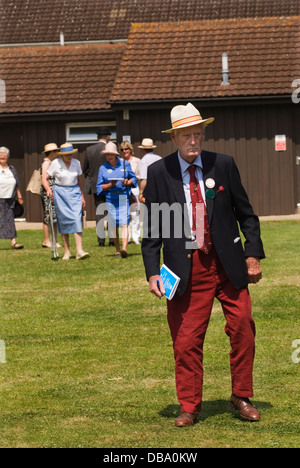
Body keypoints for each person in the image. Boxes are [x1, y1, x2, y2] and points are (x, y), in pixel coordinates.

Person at [141, 102, 265, 427]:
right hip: (185, 269)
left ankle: (241, 395)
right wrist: (153, 271)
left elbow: (247, 216)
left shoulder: (223, 165)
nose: (193, 141)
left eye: (198, 134)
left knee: (242, 330)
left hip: (228, 265)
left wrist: (252, 255)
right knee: (185, 341)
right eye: (187, 136)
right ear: (175, 139)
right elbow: (153, 228)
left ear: (203, 134)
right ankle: (189, 406)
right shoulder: (158, 173)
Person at [43, 143, 89, 260]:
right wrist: (48, 189)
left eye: (71, 154)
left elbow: (79, 181)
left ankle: (79, 251)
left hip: (74, 192)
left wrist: (82, 196)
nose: (69, 156)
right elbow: (44, 178)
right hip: (60, 193)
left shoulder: (76, 163)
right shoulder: (55, 163)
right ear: (62, 155)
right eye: (67, 155)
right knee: (64, 222)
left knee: (76, 219)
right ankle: (67, 252)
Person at [96, 142, 137, 258]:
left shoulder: (125, 164)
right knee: (113, 225)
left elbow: (133, 179)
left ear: (116, 154)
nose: (109, 156)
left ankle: (124, 248)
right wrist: (110, 184)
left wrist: (127, 182)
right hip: (110, 198)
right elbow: (99, 187)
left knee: (125, 223)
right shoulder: (103, 168)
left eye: (111, 154)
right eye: (107, 154)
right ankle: (117, 249)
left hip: (123, 196)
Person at [83, 127, 113, 246]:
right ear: (107, 137)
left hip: (96, 185)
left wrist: (93, 179)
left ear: (97, 137)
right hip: (111, 184)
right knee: (111, 212)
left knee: (99, 212)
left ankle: (101, 241)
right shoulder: (110, 148)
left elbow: (85, 169)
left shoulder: (89, 150)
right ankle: (112, 240)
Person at [0, 146, 24, 249]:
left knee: (10, 220)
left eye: (4, 155)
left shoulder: (12, 169)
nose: (2, 156)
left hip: (10, 199)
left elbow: (17, 183)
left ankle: (13, 242)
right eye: (0, 154)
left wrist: (19, 196)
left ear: (8, 157)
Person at [119, 141, 141, 244]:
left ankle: (136, 237)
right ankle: (126, 238)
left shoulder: (137, 161)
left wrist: (134, 179)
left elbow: (141, 175)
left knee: (135, 213)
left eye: (126, 149)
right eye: (122, 149)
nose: (124, 151)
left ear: (130, 150)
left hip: (134, 189)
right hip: (123, 190)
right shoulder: (119, 162)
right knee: (124, 214)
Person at [40, 143, 61, 248]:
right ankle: (47, 240)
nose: (57, 153)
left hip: (54, 191)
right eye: (56, 151)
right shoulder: (46, 163)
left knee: (54, 216)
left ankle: (54, 240)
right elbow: (43, 178)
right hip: (48, 192)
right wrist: (48, 190)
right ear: (52, 152)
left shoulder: (52, 162)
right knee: (48, 216)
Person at [138, 138, 161, 203]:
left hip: (149, 189)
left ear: (142, 149)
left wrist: (141, 192)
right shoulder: (159, 158)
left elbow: (144, 179)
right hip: (160, 187)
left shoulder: (144, 160)